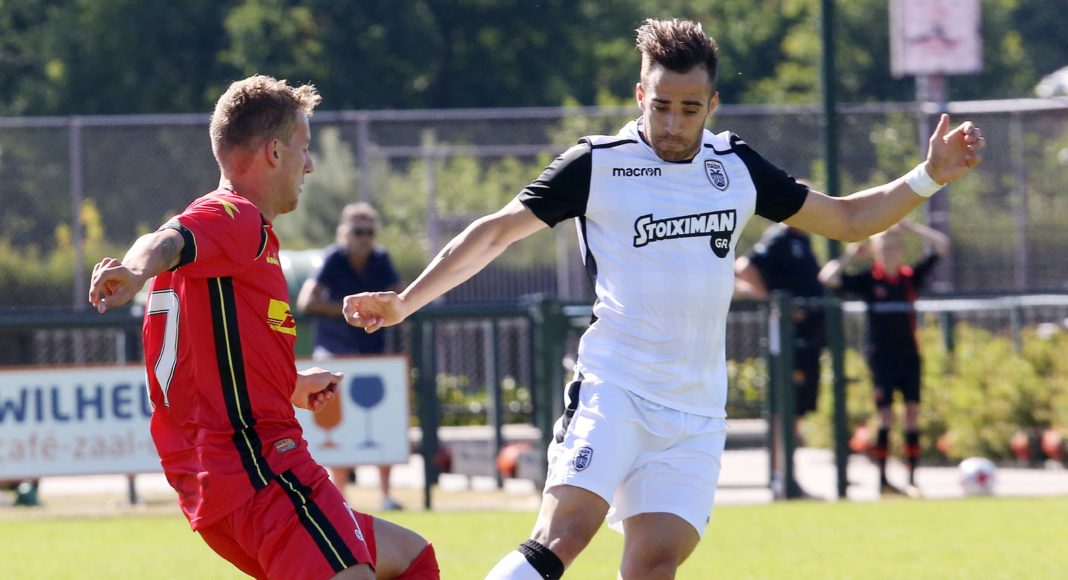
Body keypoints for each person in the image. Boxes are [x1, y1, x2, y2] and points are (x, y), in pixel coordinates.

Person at [343, 18, 984, 579]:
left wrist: (929, 175)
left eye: (690, 108)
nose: (674, 124)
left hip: (696, 409)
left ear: (713, 104)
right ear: (639, 95)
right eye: (662, 106)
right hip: (615, 388)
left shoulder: (736, 167)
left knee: (654, 565)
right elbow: (494, 232)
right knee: (562, 538)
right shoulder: (597, 163)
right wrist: (405, 302)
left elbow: (846, 219)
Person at [88, 75, 438, 580]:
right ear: (274, 152)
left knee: (410, 557)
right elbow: (166, 240)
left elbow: (207, 356)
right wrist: (135, 270)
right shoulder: (235, 216)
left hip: (221, 482)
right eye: (304, 147)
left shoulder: (228, 239)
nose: (310, 164)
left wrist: (289, 385)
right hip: (262, 470)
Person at [818, 218, 950, 498]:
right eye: (884, 247)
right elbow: (828, 277)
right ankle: (883, 480)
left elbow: (942, 245)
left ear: (901, 249)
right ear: (876, 251)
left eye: (893, 246)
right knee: (885, 417)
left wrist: (912, 228)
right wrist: (850, 255)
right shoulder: (869, 281)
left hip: (910, 356)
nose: (889, 252)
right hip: (881, 358)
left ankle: (912, 478)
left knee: (912, 414)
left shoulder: (909, 278)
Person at [297, 201, 406, 511]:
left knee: (383, 424)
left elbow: (401, 296)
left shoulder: (381, 259)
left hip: (373, 354)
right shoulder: (332, 258)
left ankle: (385, 495)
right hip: (335, 356)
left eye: (369, 232)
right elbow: (306, 301)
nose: (364, 238)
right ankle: (341, 498)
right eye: (358, 231)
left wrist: (377, 308)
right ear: (343, 232)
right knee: (339, 429)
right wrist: (352, 310)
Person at [734, 223, 825, 498]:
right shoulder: (780, 237)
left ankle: (789, 477)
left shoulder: (804, 239)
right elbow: (744, 267)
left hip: (807, 340)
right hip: (788, 340)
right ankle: (781, 478)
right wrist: (771, 300)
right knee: (784, 409)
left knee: (795, 411)